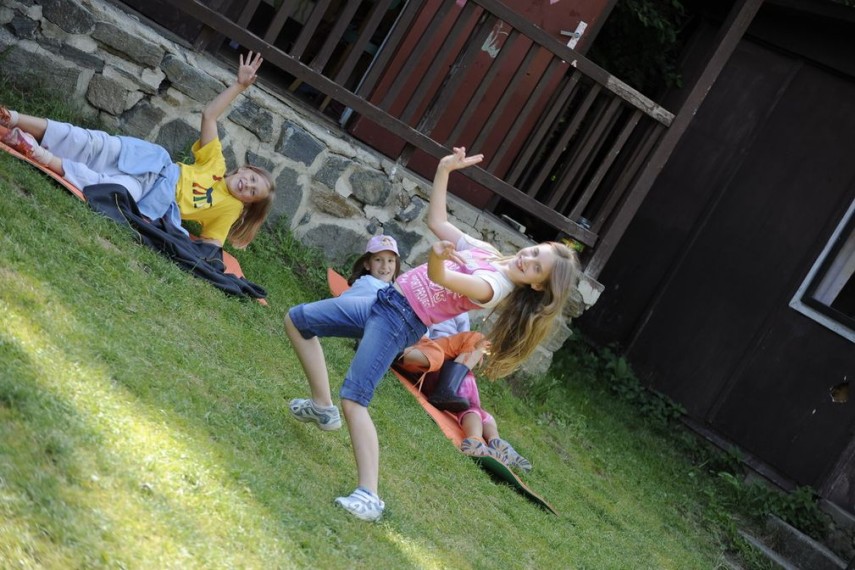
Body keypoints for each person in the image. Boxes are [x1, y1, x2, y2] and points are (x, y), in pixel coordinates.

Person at [284, 146, 581, 522]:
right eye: (536, 252)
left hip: (400, 321)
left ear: (537, 285)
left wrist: (438, 258)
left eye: (537, 267)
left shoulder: (493, 287)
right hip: (385, 300)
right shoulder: (488, 254)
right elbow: (437, 221)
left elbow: (441, 276)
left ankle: (370, 496)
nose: (528, 259)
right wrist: (444, 171)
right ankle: (321, 407)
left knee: (356, 399)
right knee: (298, 320)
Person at [0, 52, 274, 249]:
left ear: (247, 203)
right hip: (152, 161)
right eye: (252, 179)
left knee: (112, 190)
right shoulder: (216, 163)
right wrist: (239, 86)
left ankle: (38, 153)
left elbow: (211, 247)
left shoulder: (230, 207)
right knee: (92, 142)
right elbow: (209, 115)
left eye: (253, 192)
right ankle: (12, 118)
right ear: (245, 169)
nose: (247, 186)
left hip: (151, 195)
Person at [396, 329, 533, 473]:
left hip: (443, 363)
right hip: (432, 354)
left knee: (472, 396)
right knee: (478, 341)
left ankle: (494, 440)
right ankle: (479, 440)